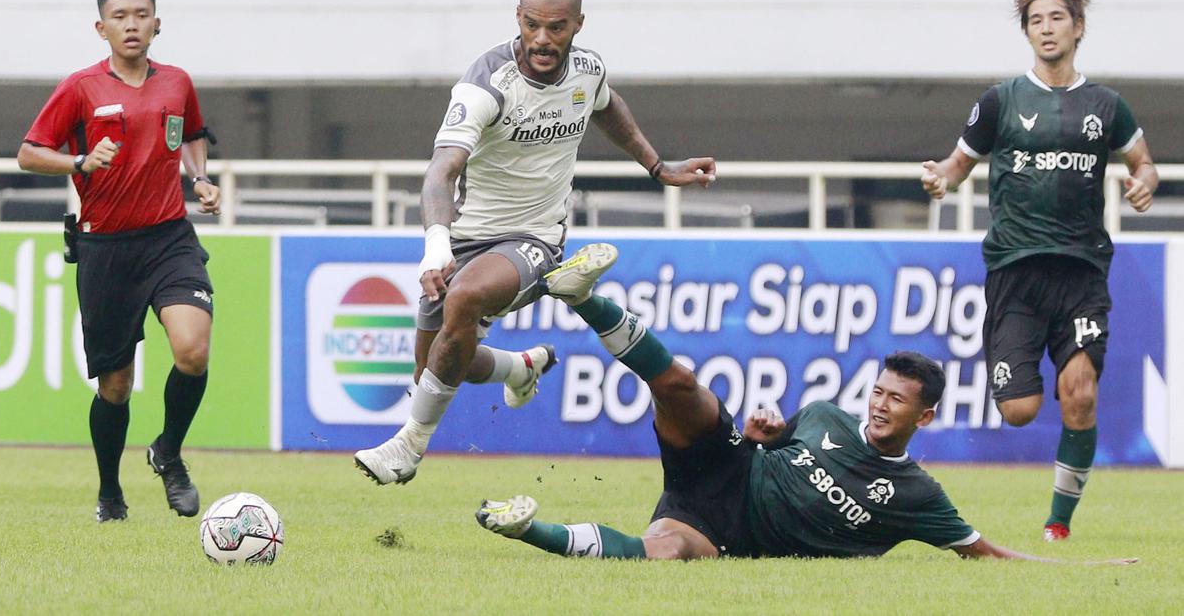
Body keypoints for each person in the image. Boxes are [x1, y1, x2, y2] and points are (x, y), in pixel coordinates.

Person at [353, 0, 717, 485]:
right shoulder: (487, 82)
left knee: (464, 301)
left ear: (578, 25)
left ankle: (407, 447)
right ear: (518, 20)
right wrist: (436, 244)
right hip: (464, 237)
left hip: (537, 239)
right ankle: (519, 367)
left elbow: (609, 108)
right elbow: (441, 171)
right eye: (532, 25)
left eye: (557, 27)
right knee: (437, 364)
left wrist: (657, 166)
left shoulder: (587, 72)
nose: (543, 40)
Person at [476, 290, 1135, 564]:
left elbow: (983, 555)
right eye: (876, 392)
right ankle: (584, 294)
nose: (878, 406)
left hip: (723, 530)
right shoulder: (823, 416)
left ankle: (521, 525)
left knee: (660, 556)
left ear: (924, 415)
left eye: (895, 401)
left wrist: (1083, 567)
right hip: (718, 466)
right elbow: (770, 438)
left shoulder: (918, 498)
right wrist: (765, 430)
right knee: (676, 384)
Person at [920, 0, 1158, 541]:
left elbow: (1142, 162)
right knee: (1020, 410)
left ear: (1077, 28)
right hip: (1015, 273)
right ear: (1026, 33)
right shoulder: (1000, 101)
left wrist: (1144, 181)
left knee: (1079, 393)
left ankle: (1059, 522)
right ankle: (1012, 374)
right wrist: (940, 179)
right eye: (1035, 21)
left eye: (1056, 19)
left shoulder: (1107, 105)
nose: (1046, 29)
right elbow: (958, 164)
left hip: (1080, 271)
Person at [17, 0, 221, 523]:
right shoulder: (81, 88)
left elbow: (194, 133)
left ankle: (169, 453)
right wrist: (79, 162)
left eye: (141, 14)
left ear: (157, 23)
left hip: (169, 237)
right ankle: (110, 492)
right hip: (105, 247)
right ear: (101, 27)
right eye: (121, 16)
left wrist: (200, 178)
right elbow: (30, 153)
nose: (132, 24)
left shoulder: (177, 82)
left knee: (193, 351)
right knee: (116, 384)